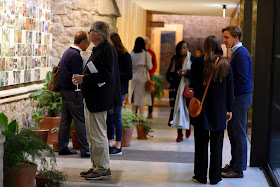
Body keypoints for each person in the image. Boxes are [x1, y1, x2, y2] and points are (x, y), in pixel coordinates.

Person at [73, 21, 122, 180]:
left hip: (100, 99)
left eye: (91, 31)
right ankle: (96, 166)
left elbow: (106, 76)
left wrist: (84, 78)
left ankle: (102, 168)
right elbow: (96, 72)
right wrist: (83, 78)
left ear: (99, 33)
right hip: (92, 97)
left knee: (99, 135)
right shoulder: (99, 49)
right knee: (92, 135)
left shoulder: (107, 50)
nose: (88, 33)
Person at [190, 35, 234, 184]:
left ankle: (201, 176)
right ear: (218, 46)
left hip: (201, 108)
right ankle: (215, 177)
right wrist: (229, 109)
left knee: (201, 144)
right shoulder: (225, 64)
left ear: (205, 46)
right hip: (219, 109)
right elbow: (230, 89)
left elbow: (194, 84)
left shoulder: (197, 62)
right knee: (217, 145)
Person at [221, 25, 253, 178]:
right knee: (233, 132)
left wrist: (232, 95)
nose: (224, 40)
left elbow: (244, 81)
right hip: (238, 98)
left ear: (235, 37)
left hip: (240, 98)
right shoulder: (237, 52)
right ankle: (234, 164)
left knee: (239, 133)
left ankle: (238, 169)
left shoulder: (240, 54)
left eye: (226, 37)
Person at [58, 31, 90, 158]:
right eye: (87, 42)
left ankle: (62, 147)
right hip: (72, 91)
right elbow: (77, 76)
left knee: (65, 119)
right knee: (79, 119)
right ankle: (85, 149)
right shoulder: (76, 55)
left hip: (64, 90)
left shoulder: (67, 52)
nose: (88, 45)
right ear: (82, 42)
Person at [107, 32, 133, 155]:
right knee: (109, 117)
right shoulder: (110, 55)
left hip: (120, 90)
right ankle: (109, 142)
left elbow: (129, 74)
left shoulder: (125, 55)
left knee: (117, 116)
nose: (108, 45)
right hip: (110, 90)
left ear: (115, 42)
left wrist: (114, 75)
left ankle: (118, 145)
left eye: (109, 42)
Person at [166, 41, 194, 142]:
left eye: (185, 48)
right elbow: (169, 73)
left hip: (188, 89)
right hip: (177, 88)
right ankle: (179, 134)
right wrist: (177, 75)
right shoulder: (175, 59)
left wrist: (186, 74)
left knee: (187, 109)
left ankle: (188, 126)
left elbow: (195, 74)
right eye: (181, 48)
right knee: (178, 110)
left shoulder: (192, 59)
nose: (183, 50)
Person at [129, 37, 153, 116]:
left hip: (133, 78)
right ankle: (141, 121)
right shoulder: (146, 54)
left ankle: (132, 119)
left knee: (134, 100)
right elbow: (150, 67)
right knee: (141, 101)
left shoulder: (131, 53)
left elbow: (129, 67)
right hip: (143, 79)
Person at [143, 37, 157, 119]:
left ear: (148, 43)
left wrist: (150, 74)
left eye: (146, 43)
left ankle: (150, 112)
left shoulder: (151, 53)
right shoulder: (138, 52)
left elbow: (154, 65)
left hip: (149, 77)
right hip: (141, 76)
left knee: (151, 94)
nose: (145, 44)